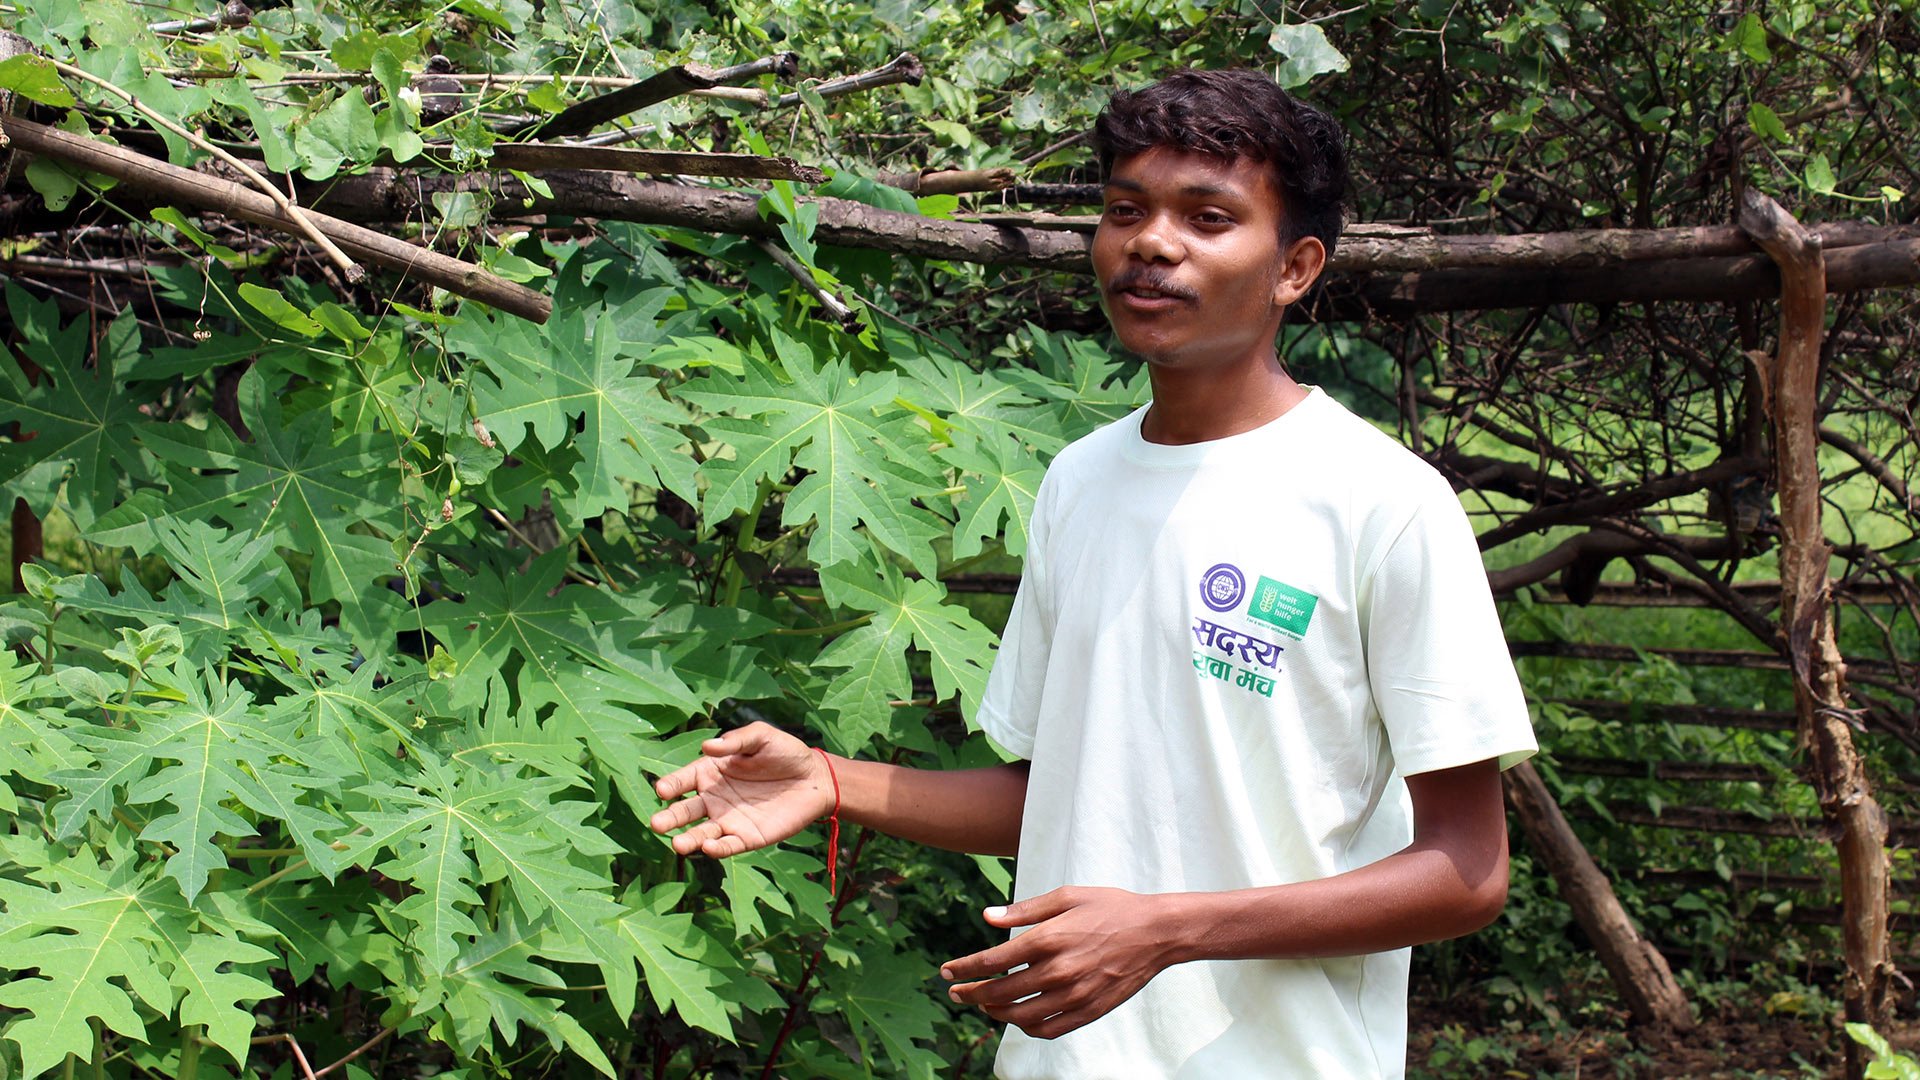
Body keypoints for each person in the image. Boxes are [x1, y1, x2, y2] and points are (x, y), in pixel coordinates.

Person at [650, 68, 1537, 1079]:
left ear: (1294, 267)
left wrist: (1167, 929)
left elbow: (1468, 874)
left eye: (1208, 217)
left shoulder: (1381, 504)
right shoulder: (1079, 481)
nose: (1152, 242)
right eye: (1126, 210)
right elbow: (1056, 792)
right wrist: (831, 779)